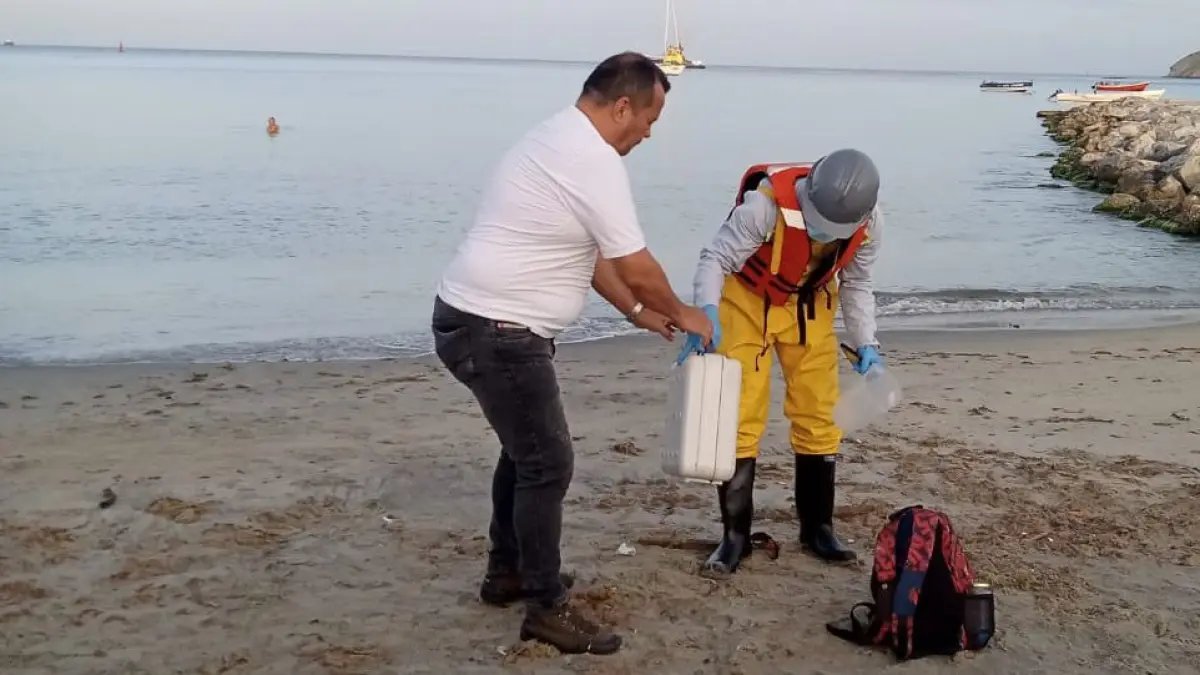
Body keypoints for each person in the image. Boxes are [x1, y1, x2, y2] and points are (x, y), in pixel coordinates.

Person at [430, 51, 714, 655]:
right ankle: (544, 608)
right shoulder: (590, 158)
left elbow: (593, 261)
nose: (649, 133)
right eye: (649, 119)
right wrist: (687, 313)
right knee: (547, 464)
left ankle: (507, 573)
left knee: (524, 453)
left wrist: (640, 314)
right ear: (621, 107)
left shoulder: (556, 140)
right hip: (497, 329)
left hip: (479, 321)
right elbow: (635, 264)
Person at [677, 149, 885, 578]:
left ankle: (817, 529)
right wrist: (706, 314)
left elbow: (858, 283)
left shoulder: (869, 224)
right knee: (739, 417)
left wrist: (867, 344)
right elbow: (714, 259)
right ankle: (735, 537)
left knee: (820, 414)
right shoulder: (764, 208)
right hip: (747, 303)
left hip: (809, 308)